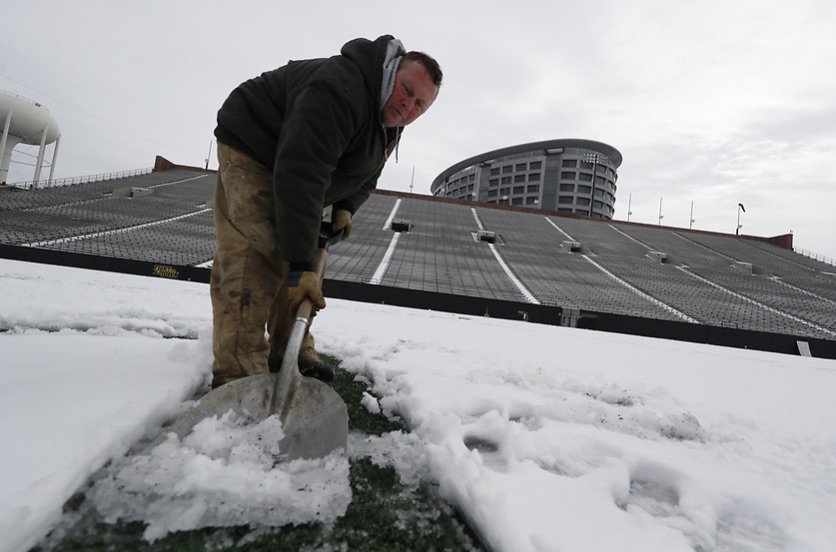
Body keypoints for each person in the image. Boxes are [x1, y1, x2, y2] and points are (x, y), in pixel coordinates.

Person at [210, 35, 442, 389]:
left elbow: (367, 172)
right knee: (256, 255)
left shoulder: (389, 121)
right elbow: (301, 172)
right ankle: (238, 372)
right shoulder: (340, 90)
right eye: (406, 91)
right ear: (391, 73)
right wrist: (301, 265)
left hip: (296, 165)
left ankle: (288, 349)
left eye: (419, 104)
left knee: (301, 257)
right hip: (255, 147)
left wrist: (346, 207)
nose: (408, 106)